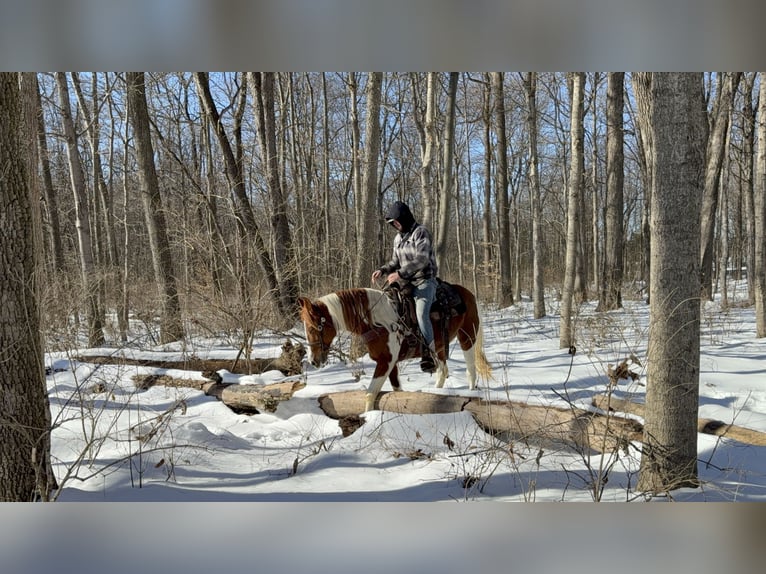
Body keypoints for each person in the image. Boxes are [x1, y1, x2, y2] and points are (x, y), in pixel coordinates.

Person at [371, 201, 439, 373]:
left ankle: (430, 354)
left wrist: (400, 274)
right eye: (393, 223)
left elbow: (422, 260)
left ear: (404, 217)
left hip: (424, 280)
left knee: (421, 313)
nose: (395, 225)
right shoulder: (398, 238)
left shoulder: (420, 232)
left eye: (396, 221)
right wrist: (383, 270)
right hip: (406, 281)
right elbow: (395, 262)